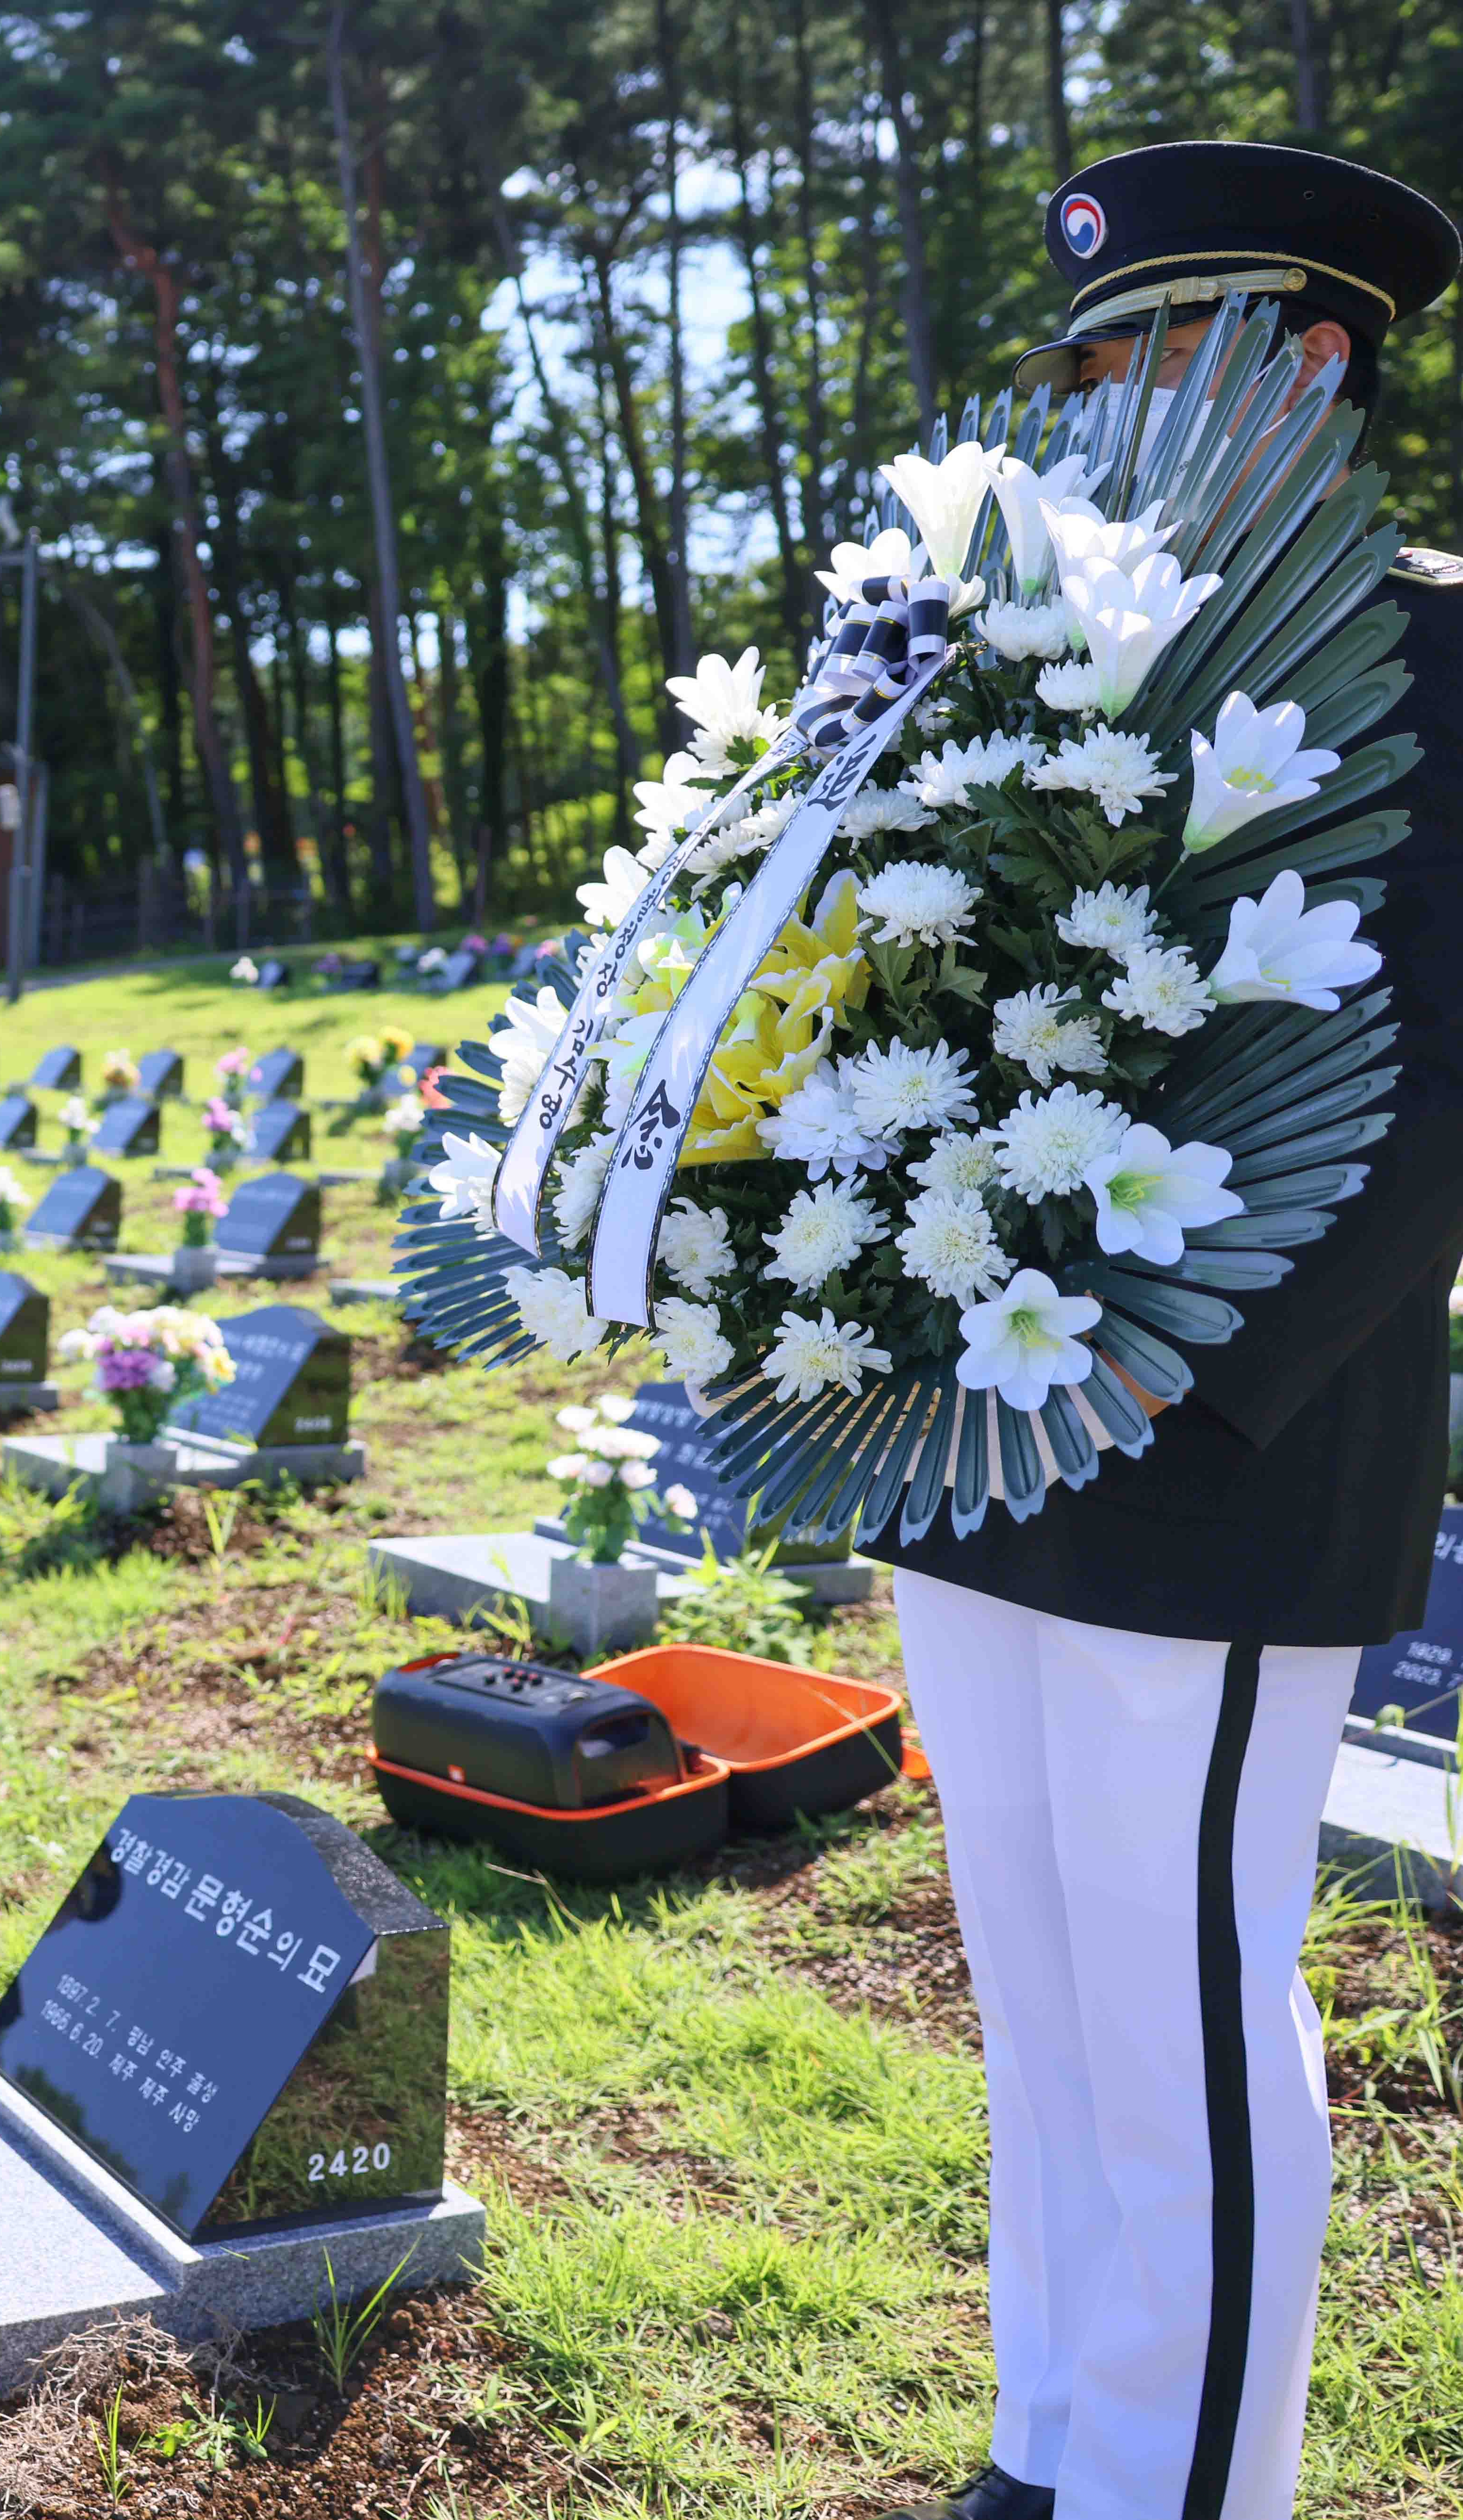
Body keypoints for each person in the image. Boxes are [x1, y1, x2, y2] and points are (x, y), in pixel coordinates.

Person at [873, 144, 1463, 2520]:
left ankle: (1182, 2491)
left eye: (1142, 354)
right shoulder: (1040, 645)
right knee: (1028, 1991)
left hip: (1219, 1452)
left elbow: (1418, 1092)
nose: (1094, 403)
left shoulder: (1434, 657)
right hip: (970, 1435)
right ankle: (1052, 2445)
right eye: (1082, 363)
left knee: (1179, 2010)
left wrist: (1162, 1362)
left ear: (1303, 361)